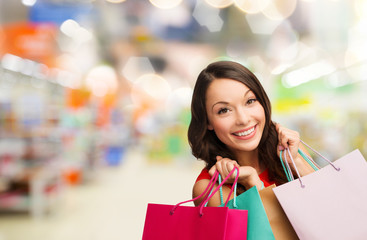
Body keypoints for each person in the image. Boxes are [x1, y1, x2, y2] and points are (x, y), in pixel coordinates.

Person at [188, 60, 315, 207]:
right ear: (207, 121)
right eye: (224, 110)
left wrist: (296, 162)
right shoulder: (210, 189)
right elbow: (276, 230)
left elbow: (332, 204)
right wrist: (253, 183)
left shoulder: (292, 153)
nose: (243, 119)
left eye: (250, 101)